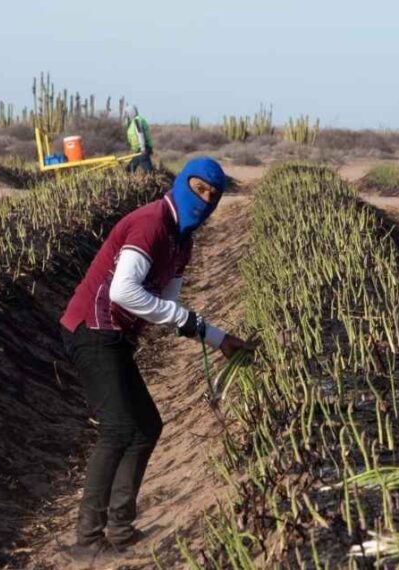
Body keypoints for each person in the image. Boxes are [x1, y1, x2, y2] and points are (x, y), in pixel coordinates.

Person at [57, 157, 251, 563]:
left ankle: (120, 527)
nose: (205, 200)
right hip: (92, 328)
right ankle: (88, 540)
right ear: (182, 183)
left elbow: (166, 306)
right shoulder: (152, 224)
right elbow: (124, 292)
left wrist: (218, 340)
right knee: (117, 428)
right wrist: (190, 323)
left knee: (146, 426)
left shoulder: (182, 241)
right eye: (199, 189)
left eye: (213, 196)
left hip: (115, 336)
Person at [126, 107, 154, 174]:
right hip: (139, 150)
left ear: (131, 113)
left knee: (148, 170)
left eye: (127, 113)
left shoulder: (137, 121)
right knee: (131, 167)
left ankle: (151, 180)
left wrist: (143, 148)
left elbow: (140, 134)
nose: (126, 115)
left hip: (142, 149)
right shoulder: (135, 121)